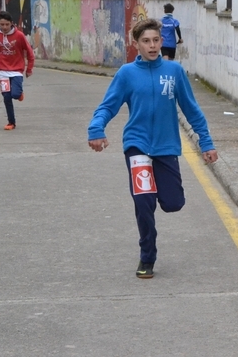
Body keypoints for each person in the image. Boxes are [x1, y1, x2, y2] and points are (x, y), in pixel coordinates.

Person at [87, 19, 218, 279]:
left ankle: (155, 191)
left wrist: (206, 142)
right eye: (146, 41)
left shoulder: (174, 71)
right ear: (136, 44)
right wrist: (96, 129)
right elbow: (108, 106)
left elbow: (191, 109)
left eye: (156, 40)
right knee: (144, 203)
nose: (152, 45)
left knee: (173, 203)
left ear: (162, 41)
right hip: (137, 145)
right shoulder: (126, 74)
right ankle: (147, 256)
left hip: (166, 146)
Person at [0, 10, 35, 130]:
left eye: (7, 24)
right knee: (6, 97)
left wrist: (29, 68)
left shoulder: (19, 36)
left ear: (11, 23)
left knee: (15, 94)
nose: (5, 27)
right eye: (2, 24)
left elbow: (30, 53)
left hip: (16, 70)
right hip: (2, 71)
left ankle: (19, 94)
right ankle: (11, 122)